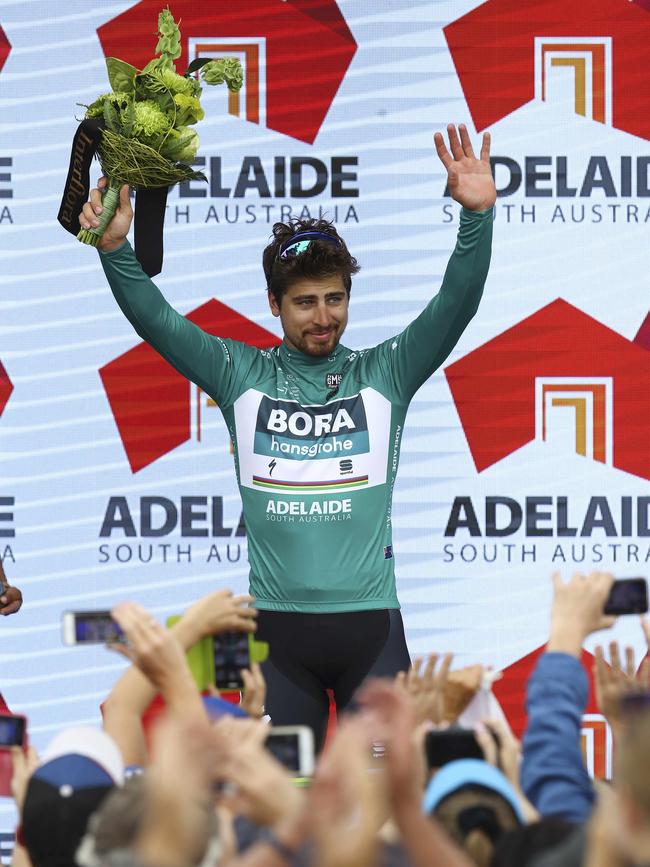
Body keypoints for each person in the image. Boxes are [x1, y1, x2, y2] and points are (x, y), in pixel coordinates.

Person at [80, 123, 496, 746]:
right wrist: (116, 251)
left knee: (380, 815)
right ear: (274, 305)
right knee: (272, 821)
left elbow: (455, 303)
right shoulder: (239, 372)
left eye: (335, 299)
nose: (323, 317)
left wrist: (477, 218)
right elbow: (158, 322)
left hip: (373, 633)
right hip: (275, 638)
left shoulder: (385, 373)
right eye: (305, 302)